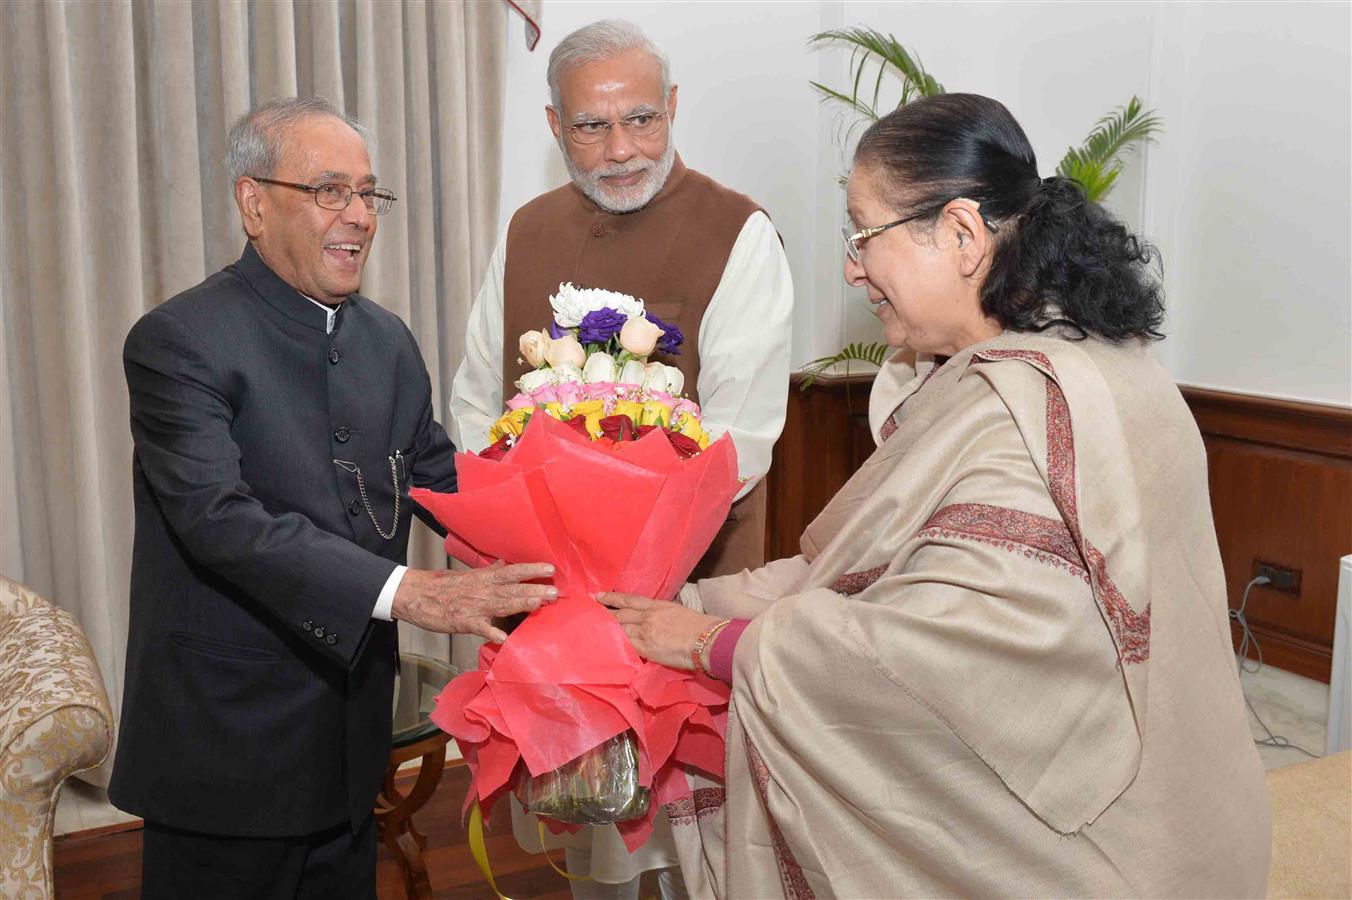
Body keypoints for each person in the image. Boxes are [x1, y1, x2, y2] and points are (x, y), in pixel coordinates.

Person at [601, 93, 1272, 897]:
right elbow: (863, 572)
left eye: (862, 234)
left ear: (960, 234)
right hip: (1194, 804)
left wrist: (709, 644)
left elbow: (941, 654)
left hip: (1099, 853)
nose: (852, 267)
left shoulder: (1018, 409)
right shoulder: (1098, 360)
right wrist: (695, 602)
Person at [110, 97, 556, 899]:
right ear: (253, 203)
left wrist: (563, 548)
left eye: (368, 194)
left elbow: (438, 481)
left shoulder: (386, 339)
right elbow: (220, 520)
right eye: (329, 192)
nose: (358, 215)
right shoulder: (179, 341)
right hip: (226, 746)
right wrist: (410, 592)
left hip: (350, 742)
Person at [448, 20, 793, 898]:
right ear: (556, 126)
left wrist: (629, 554)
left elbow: (741, 434)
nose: (621, 151)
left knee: (693, 851)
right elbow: (476, 398)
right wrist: (538, 541)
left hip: (687, 586)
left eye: (641, 120)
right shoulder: (527, 229)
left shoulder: (738, 230)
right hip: (550, 595)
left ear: (673, 108)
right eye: (593, 128)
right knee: (586, 841)